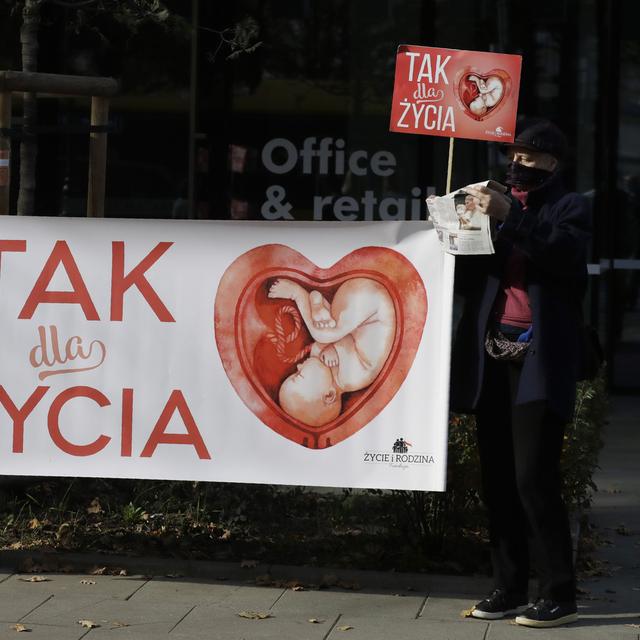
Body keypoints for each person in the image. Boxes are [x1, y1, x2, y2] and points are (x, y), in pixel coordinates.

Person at [450, 119, 591, 628]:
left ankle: (560, 593)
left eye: (529, 158)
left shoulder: (569, 206)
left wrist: (511, 218)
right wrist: (457, 233)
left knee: (534, 476)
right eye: (514, 155)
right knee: (499, 478)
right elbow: (470, 282)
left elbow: (563, 256)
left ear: (552, 163)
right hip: (492, 353)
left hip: (539, 359)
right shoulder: (494, 206)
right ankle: (508, 586)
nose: (518, 165)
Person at [268, 277, 396, 426]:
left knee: (327, 334)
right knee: (322, 335)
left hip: (358, 308)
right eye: (299, 374)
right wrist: (334, 348)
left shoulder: (331, 371)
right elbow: (347, 341)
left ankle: (319, 309)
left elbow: (329, 343)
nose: (298, 366)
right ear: (329, 395)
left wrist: (323, 350)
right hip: (373, 306)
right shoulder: (351, 379)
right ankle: (298, 295)